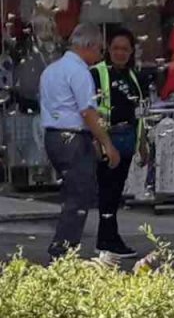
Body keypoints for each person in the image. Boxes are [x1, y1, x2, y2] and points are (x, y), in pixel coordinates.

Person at [39, 23, 120, 260]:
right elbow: (87, 112)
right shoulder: (79, 71)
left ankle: (65, 248)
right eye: (100, 50)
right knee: (80, 195)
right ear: (89, 45)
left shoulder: (51, 70)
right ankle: (63, 251)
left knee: (74, 193)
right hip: (72, 137)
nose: (100, 55)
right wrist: (107, 144)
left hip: (54, 136)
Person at [91, 28, 145, 259]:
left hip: (127, 138)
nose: (120, 53)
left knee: (116, 191)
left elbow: (139, 111)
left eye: (125, 49)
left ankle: (109, 239)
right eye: (116, 48)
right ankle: (106, 241)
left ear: (132, 51)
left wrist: (142, 142)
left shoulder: (133, 76)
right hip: (107, 138)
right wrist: (98, 141)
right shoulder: (97, 73)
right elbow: (90, 109)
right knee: (107, 191)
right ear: (108, 50)